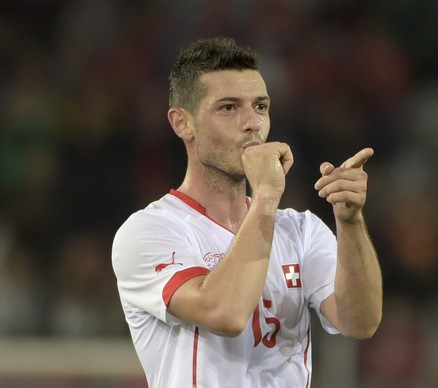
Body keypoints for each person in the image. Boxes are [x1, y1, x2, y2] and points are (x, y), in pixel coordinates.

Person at [112, 36, 382, 388]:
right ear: (182, 123)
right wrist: (268, 194)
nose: (252, 123)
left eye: (260, 106)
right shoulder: (149, 232)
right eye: (228, 108)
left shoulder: (300, 231)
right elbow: (224, 312)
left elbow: (360, 322)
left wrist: (351, 223)